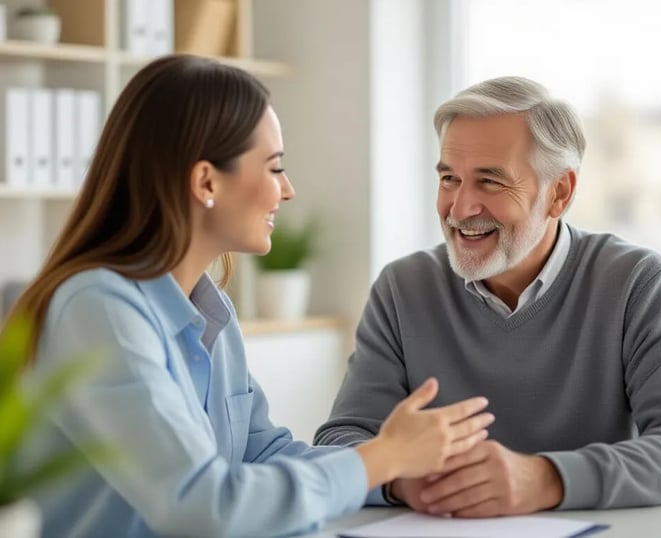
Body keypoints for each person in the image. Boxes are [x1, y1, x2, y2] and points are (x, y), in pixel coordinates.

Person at [5, 55, 495, 538]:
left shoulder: (210, 310)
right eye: (275, 167)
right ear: (206, 181)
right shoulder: (99, 307)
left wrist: (396, 478)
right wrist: (379, 458)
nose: (288, 190)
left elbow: (260, 453)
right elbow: (203, 505)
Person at [315, 76, 661, 516]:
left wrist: (545, 479)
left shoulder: (638, 285)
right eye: (450, 179)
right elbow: (341, 441)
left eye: (490, 183)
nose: (459, 209)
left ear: (559, 193)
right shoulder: (403, 289)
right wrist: (399, 480)